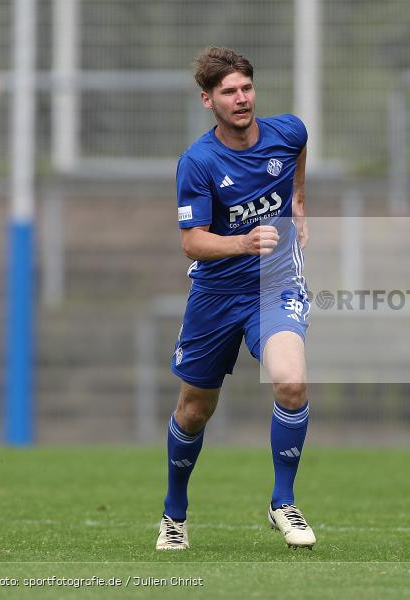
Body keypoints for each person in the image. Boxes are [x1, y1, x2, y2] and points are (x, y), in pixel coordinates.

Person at [156, 47, 315, 550]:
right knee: (194, 410)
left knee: (291, 382)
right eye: (229, 92)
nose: (241, 98)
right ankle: (174, 513)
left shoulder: (288, 132)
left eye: (246, 87)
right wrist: (243, 243)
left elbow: (300, 151)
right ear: (209, 100)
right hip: (216, 296)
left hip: (276, 284)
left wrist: (298, 199)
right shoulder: (198, 162)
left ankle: (283, 501)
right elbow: (192, 242)